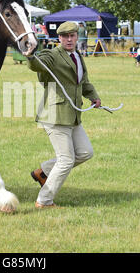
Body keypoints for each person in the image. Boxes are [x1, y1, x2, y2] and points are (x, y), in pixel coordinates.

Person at [26, 21, 101, 209]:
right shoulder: (53, 55)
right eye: (65, 36)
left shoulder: (77, 55)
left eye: (72, 35)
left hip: (73, 115)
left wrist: (94, 97)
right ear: (59, 38)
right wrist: (31, 56)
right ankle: (44, 201)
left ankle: (42, 172)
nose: (69, 39)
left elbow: (83, 82)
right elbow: (39, 64)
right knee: (66, 160)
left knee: (85, 152)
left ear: (77, 36)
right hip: (55, 115)